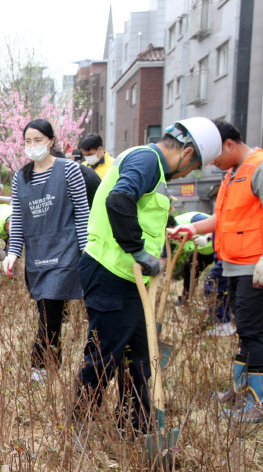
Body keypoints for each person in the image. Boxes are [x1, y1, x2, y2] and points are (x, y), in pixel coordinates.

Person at [75, 117, 222, 436]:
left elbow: (139, 210)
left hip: (128, 278)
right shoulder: (146, 159)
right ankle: (79, 426)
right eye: (191, 168)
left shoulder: (148, 164)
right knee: (105, 356)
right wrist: (139, 252)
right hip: (110, 272)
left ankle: (134, 424)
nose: (187, 175)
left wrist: (165, 234)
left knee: (139, 356)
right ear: (186, 155)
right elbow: (119, 200)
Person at [169, 120, 263, 422]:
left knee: (253, 333)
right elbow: (223, 218)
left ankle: (256, 403)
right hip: (234, 265)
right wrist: (191, 228)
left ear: (229, 144)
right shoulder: (232, 174)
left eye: (215, 157)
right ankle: (239, 390)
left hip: (254, 267)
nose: (214, 164)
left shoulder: (258, 167)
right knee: (244, 332)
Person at [2, 119, 90, 382]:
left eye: (38, 140)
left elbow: (82, 213)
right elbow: (17, 218)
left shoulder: (69, 170)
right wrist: (13, 252)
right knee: (46, 309)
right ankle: (51, 363)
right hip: (37, 252)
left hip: (65, 250)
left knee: (50, 307)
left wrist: (86, 252)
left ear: (51, 141)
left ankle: (40, 367)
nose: (32, 146)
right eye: (28, 141)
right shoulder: (21, 176)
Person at [161, 211, 215, 303]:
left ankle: (215, 304)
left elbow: (218, 225)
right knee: (189, 269)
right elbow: (164, 258)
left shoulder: (192, 219)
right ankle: (185, 300)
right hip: (203, 251)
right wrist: (157, 271)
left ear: (170, 227)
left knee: (215, 277)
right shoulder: (169, 235)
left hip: (219, 247)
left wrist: (206, 238)